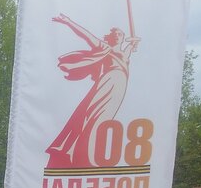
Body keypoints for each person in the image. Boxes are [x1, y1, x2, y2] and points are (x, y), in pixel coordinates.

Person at [46, 13, 140, 169]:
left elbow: (132, 47)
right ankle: (79, 152)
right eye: (115, 34)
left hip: (119, 86)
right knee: (93, 114)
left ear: (123, 38)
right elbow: (86, 35)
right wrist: (69, 22)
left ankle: (91, 153)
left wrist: (134, 43)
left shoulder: (125, 52)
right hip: (107, 82)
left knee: (106, 117)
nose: (117, 36)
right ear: (110, 37)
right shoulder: (104, 47)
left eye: (120, 34)